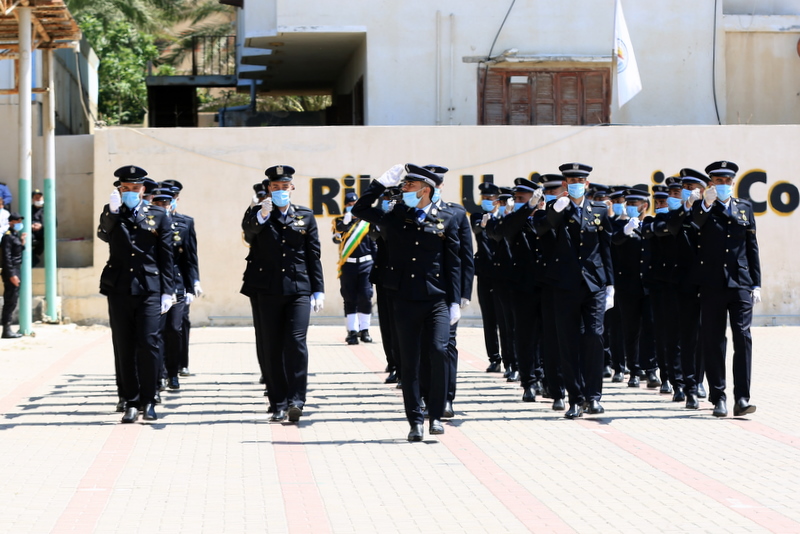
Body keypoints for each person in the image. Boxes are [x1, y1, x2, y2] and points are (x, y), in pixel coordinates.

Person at [352, 163, 461, 441]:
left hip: (436, 298)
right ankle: (415, 421)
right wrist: (377, 185)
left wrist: (456, 300)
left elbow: (454, 262)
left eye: (409, 186)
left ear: (426, 190)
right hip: (404, 298)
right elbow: (360, 210)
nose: (403, 189)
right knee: (409, 362)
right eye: (403, 185)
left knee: (438, 351)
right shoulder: (397, 214)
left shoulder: (447, 216)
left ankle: (435, 414)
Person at [241, 165, 325, 423]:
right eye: (275, 187)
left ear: (292, 187)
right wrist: (263, 215)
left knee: (296, 343)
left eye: (284, 186)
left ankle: (296, 400)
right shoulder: (256, 213)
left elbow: (313, 254)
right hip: (267, 289)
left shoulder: (305, 216)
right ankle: (277, 402)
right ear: (268, 188)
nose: (280, 190)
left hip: (299, 287)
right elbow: (249, 234)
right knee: (272, 346)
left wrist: (318, 289)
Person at [97, 165, 175, 423]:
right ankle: (130, 401)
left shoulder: (158, 215)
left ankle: (149, 400)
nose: (130, 191)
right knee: (124, 345)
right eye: (125, 188)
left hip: (149, 288)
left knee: (148, 343)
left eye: (135, 188)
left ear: (143, 189)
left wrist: (168, 290)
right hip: (119, 287)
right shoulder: (112, 213)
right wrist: (112, 212)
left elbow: (166, 256)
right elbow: (104, 235)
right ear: (119, 189)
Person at [692, 160, 760, 417]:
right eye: (718, 181)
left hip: (740, 282)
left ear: (733, 182)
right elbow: (694, 228)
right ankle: (718, 396)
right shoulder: (701, 207)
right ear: (711, 183)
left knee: (743, 338)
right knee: (714, 340)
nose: (723, 185)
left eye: (727, 181)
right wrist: (706, 204)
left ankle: (742, 398)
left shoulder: (744, 207)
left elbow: (752, 246)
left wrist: (756, 282)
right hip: (712, 283)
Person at [546, 163, 614, 418]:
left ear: (587, 184)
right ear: (564, 184)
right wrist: (557, 210)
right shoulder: (555, 208)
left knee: (595, 336)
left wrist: (610, 284)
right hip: (564, 284)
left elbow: (606, 245)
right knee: (568, 340)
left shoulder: (598, 209)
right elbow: (544, 228)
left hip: (594, 283)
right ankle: (574, 398)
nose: (575, 184)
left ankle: (593, 396)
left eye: (579, 180)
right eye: (570, 180)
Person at [420, 164, 474, 419]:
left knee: (446, 346)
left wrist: (463, 294)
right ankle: (423, 395)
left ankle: (446, 398)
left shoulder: (456, 213)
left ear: (440, 187)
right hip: (420, 291)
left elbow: (464, 256)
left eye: (437, 185)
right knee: (422, 346)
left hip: (447, 293)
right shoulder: (411, 213)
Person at [487, 177, 544, 403]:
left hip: (547, 285)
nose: (517, 201)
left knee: (547, 336)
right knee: (525, 336)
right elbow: (501, 231)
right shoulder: (513, 220)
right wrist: (525, 208)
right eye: (517, 198)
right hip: (520, 287)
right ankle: (529, 381)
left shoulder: (546, 217)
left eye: (522, 198)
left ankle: (545, 378)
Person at [666, 167, 709, 409]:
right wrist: (686, 207)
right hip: (682, 283)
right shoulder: (678, 214)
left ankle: (700, 380)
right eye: (686, 189)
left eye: (694, 189)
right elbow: (672, 227)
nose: (689, 192)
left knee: (706, 335)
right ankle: (686, 385)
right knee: (686, 336)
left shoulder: (712, 211)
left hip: (708, 282)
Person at [612, 185, 660, 390]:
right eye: (628, 204)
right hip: (627, 286)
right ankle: (633, 370)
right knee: (630, 329)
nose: (630, 207)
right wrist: (625, 230)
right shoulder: (619, 226)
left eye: (634, 204)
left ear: (644, 205)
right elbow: (613, 241)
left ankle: (651, 369)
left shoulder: (652, 224)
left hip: (649, 285)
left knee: (650, 328)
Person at [161, 179, 201, 378]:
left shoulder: (185, 222)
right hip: (159, 282)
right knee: (161, 329)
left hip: (179, 282)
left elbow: (190, 256)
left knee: (179, 325)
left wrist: (194, 282)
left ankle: (179, 365)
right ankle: (161, 370)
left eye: (173, 197)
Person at [332, 191, 377, 345]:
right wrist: (345, 223)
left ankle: (364, 330)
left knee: (365, 296)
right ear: (345, 206)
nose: (352, 207)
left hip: (366, 264)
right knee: (349, 298)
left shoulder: (367, 222)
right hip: (348, 264)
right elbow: (336, 239)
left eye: (355, 204)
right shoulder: (339, 222)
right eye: (349, 205)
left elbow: (374, 245)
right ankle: (352, 331)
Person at [369, 186, 402, 384]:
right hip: (383, 276)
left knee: (400, 325)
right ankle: (393, 364)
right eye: (385, 197)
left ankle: (402, 365)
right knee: (387, 324)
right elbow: (374, 234)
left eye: (392, 197)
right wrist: (384, 215)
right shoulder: (381, 217)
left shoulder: (404, 216)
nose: (387, 200)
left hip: (402, 277)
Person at [470, 182, 503, 372]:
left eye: (490, 199)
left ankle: (511, 358)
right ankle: (494, 357)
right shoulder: (477, 216)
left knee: (505, 318)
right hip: (484, 272)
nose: (486, 202)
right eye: (483, 198)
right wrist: (485, 221)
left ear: (497, 201)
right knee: (489, 318)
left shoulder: (505, 217)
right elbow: (477, 229)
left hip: (503, 274)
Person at [1, 212, 25, 338]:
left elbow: (16, 252)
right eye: (17, 221)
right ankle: (6, 329)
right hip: (11, 271)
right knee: (10, 300)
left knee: (13, 300)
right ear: (11, 222)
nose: (20, 223)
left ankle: (7, 329)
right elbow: (6, 258)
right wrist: (12, 275)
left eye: (20, 221)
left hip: (16, 269)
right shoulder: (7, 236)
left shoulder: (15, 235)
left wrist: (22, 242)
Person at [30, 189, 44, 267]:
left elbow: (54, 222)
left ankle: (34, 259)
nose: (38, 199)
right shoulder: (29, 209)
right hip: (31, 232)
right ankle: (34, 260)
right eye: (36, 197)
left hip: (43, 232)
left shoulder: (47, 209)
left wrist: (42, 226)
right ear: (33, 199)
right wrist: (31, 225)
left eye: (40, 197)